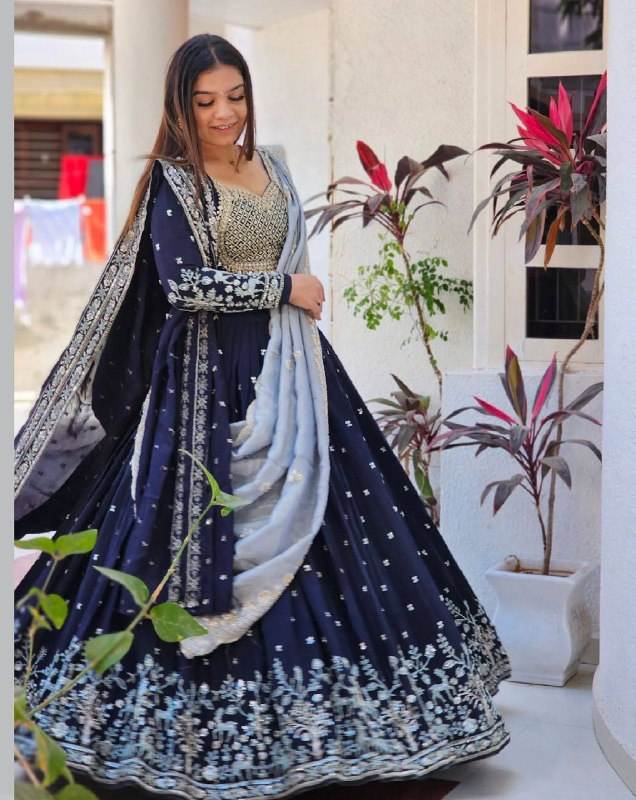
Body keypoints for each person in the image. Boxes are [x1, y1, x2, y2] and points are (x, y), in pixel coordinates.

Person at [14, 33, 511, 800]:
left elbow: (287, 255)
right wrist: (283, 290)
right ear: (181, 106)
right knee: (186, 530)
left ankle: (361, 723)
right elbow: (183, 284)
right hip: (204, 382)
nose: (223, 114)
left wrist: (289, 293)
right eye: (205, 101)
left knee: (348, 520)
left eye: (235, 96)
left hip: (294, 372)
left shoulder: (271, 166)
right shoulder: (175, 183)